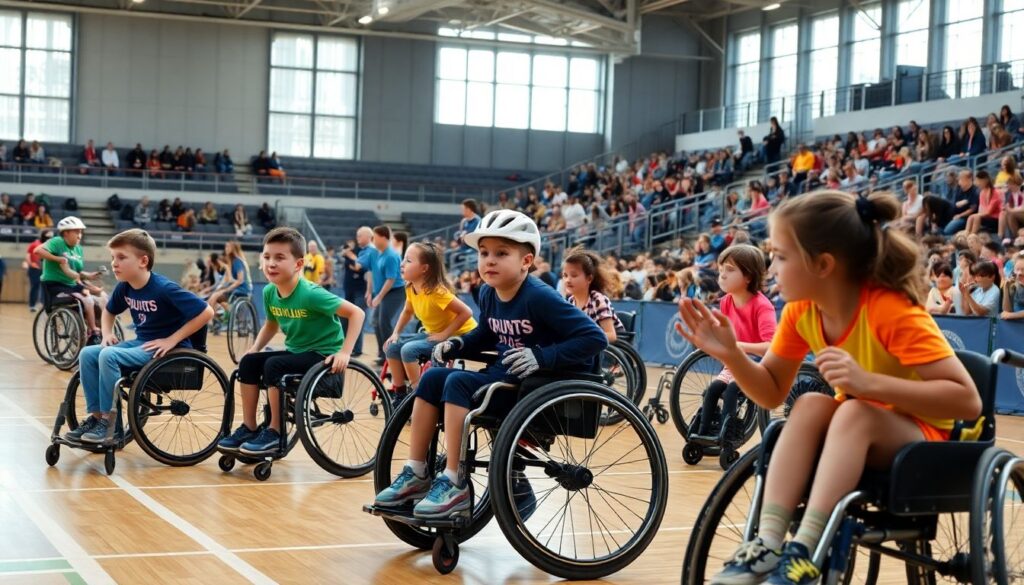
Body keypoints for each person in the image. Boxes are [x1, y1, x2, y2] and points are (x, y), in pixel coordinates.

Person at [677, 190, 980, 585]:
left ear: (823, 264)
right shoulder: (802, 312)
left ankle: (803, 552)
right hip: (862, 428)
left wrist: (869, 383)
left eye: (781, 257)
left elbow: (967, 401)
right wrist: (733, 355)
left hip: (927, 435)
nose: (772, 267)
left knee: (853, 411)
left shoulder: (890, 310)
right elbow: (770, 393)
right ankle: (768, 543)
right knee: (809, 405)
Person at [372, 210, 607, 518]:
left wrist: (541, 356)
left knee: (457, 382)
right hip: (501, 380)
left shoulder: (539, 296)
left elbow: (595, 338)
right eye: (484, 253)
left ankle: (455, 483)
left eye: (501, 253)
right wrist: (457, 343)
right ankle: (417, 473)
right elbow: (486, 332)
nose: (489, 260)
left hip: (531, 388)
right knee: (432, 379)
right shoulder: (487, 293)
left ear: (526, 261)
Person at [215, 227, 365, 455]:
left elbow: (357, 314)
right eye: (266, 257)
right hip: (298, 353)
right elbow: (271, 324)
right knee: (249, 362)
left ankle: (275, 431)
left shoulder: (311, 293)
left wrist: (345, 352)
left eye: (279, 258)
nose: (270, 263)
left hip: (323, 356)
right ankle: (249, 427)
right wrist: (254, 349)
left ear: (298, 264)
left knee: (273, 365)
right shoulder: (269, 292)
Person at [67, 230, 214, 444]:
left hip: (168, 349)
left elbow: (207, 312)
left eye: (121, 257)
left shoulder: (163, 288)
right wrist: (107, 334)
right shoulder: (125, 287)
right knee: (89, 353)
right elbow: (109, 311)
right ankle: (97, 418)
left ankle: (111, 424)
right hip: (142, 344)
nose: (114, 263)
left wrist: (172, 339)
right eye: (113, 258)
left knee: (108, 356)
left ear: (143, 261)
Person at [691, 245, 776, 438]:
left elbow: (770, 347)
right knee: (712, 391)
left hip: (758, 365)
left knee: (731, 391)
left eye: (730, 270)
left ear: (748, 277)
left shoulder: (763, 306)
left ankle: (728, 436)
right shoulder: (725, 302)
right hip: (736, 363)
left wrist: (738, 347)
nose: (722, 276)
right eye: (721, 270)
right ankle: (703, 434)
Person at [382, 242, 476, 393]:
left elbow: (467, 312)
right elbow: (407, 311)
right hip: (434, 334)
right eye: (404, 258)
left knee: (408, 350)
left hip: (461, 336)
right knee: (392, 347)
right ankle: (399, 392)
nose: (402, 263)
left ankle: (417, 394)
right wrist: (395, 333)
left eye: (409, 260)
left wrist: (445, 334)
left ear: (424, 268)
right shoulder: (411, 287)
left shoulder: (437, 291)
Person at [34, 217, 106, 343]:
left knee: (103, 296)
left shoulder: (78, 249)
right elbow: (37, 251)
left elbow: (77, 273)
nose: (80, 235)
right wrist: (58, 259)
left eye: (81, 232)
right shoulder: (56, 242)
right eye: (77, 232)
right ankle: (93, 331)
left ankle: (103, 328)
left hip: (71, 285)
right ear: (66, 232)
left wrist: (89, 275)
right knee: (86, 298)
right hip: (54, 286)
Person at [562, 247, 624, 343]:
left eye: (574, 275)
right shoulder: (570, 301)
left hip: (609, 350)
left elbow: (611, 335)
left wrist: (584, 340)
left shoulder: (598, 300)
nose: (568, 280)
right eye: (565, 275)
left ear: (589, 279)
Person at [367, 225, 406, 366]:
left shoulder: (391, 255)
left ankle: (391, 355)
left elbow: (391, 279)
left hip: (394, 292)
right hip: (383, 292)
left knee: (384, 322)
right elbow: (372, 273)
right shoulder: (378, 253)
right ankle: (383, 354)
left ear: (384, 238)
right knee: (376, 322)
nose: (373, 240)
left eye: (375, 237)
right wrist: (370, 292)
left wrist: (379, 297)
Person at [341, 227, 375, 357]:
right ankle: (347, 346)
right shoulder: (362, 251)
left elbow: (358, 267)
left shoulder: (370, 251)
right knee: (345, 317)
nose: (358, 238)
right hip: (351, 289)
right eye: (357, 236)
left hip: (362, 290)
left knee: (357, 317)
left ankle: (357, 349)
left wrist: (350, 256)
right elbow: (354, 267)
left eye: (360, 236)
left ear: (368, 237)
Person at [207, 240, 252, 333]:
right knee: (214, 297)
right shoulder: (232, 262)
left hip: (242, 289)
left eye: (227, 247)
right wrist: (224, 286)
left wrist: (227, 288)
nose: (225, 249)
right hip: (236, 287)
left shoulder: (237, 261)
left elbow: (240, 280)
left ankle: (213, 321)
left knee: (215, 296)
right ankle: (217, 320)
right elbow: (231, 280)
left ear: (233, 249)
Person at [24, 228, 52, 311]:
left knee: (45, 287)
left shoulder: (50, 245)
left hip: (46, 270)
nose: (50, 237)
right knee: (35, 287)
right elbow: (28, 255)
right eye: (48, 235)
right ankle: (32, 305)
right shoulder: (35, 244)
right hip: (35, 270)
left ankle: (43, 304)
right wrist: (31, 264)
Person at [1001, 255, 1024, 320]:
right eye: (1017, 269)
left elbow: (1008, 315)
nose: (1020, 273)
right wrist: (1006, 288)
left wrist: (1011, 315)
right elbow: (1006, 311)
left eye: (1023, 269)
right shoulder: (1013, 285)